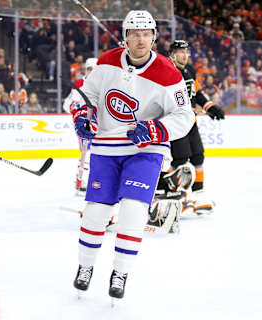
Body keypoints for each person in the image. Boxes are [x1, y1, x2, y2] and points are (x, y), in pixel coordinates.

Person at [71, 10, 195, 302]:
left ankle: (120, 271)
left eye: (146, 34)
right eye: (134, 34)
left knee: (133, 210)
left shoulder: (169, 73)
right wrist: (82, 115)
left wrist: (154, 129)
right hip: (106, 147)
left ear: (154, 37)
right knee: (96, 212)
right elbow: (85, 96)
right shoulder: (105, 63)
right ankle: (85, 267)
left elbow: (184, 116)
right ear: (125, 37)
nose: (140, 39)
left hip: (145, 149)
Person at [162, 40, 225, 201]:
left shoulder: (190, 70)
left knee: (198, 156)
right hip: (175, 122)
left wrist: (210, 107)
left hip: (191, 122)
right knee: (181, 158)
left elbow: (197, 93)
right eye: (180, 52)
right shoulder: (167, 71)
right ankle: (169, 188)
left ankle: (198, 190)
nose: (184, 55)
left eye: (186, 52)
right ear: (172, 54)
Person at [63, 57, 98, 193]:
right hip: (84, 123)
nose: (92, 72)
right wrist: (79, 113)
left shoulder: (103, 84)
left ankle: (88, 178)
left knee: (96, 151)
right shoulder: (80, 84)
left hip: (99, 123)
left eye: (94, 70)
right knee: (87, 151)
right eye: (89, 69)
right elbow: (68, 104)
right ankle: (81, 179)